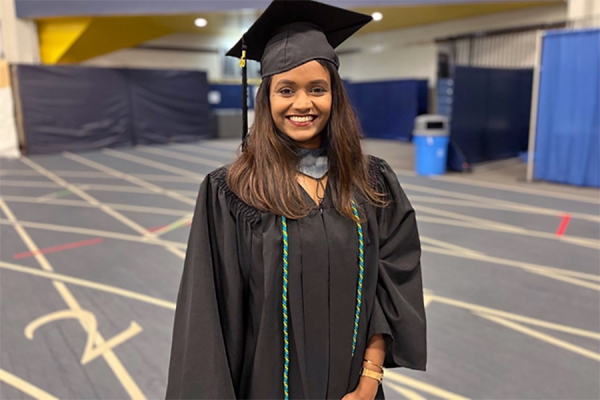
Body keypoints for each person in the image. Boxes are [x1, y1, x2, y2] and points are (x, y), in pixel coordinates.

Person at [165, 1, 426, 399]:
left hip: (354, 390)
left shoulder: (371, 182)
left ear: (334, 96)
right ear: (266, 98)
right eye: (286, 90)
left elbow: (393, 285)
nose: (302, 104)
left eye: (317, 89)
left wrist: (369, 381)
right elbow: (206, 318)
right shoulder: (231, 192)